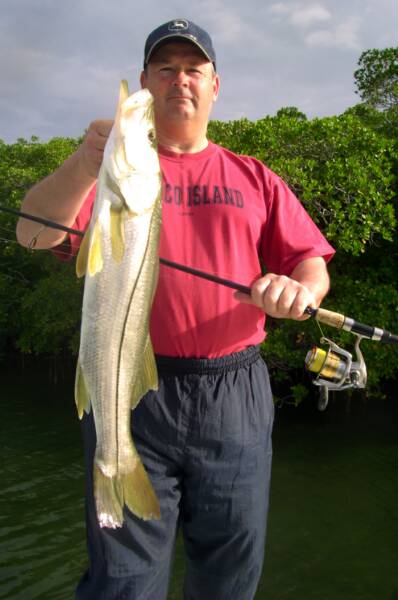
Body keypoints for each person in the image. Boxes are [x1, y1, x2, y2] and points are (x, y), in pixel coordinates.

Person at [17, 19, 334, 600]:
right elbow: (31, 234)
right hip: (130, 390)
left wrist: (301, 292)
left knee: (230, 569)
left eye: (193, 69)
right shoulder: (110, 176)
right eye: (165, 68)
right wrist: (87, 165)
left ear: (215, 85)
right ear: (146, 80)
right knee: (123, 580)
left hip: (234, 391)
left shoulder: (255, 177)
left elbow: (312, 262)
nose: (179, 80)